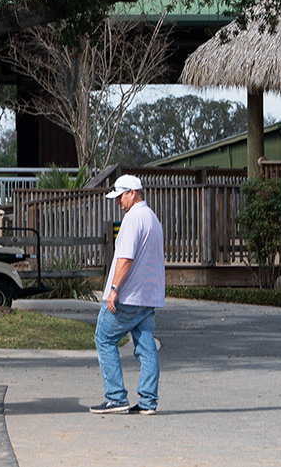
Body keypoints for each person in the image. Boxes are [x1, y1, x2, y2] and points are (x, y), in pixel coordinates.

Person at [89, 173, 166, 416]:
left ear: (133, 193)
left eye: (120, 196)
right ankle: (147, 401)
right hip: (147, 296)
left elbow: (125, 259)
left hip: (128, 296)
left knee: (104, 338)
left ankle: (115, 397)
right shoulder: (152, 219)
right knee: (146, 347)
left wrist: (113, 290)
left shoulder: (133, 219)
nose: (118, 202)